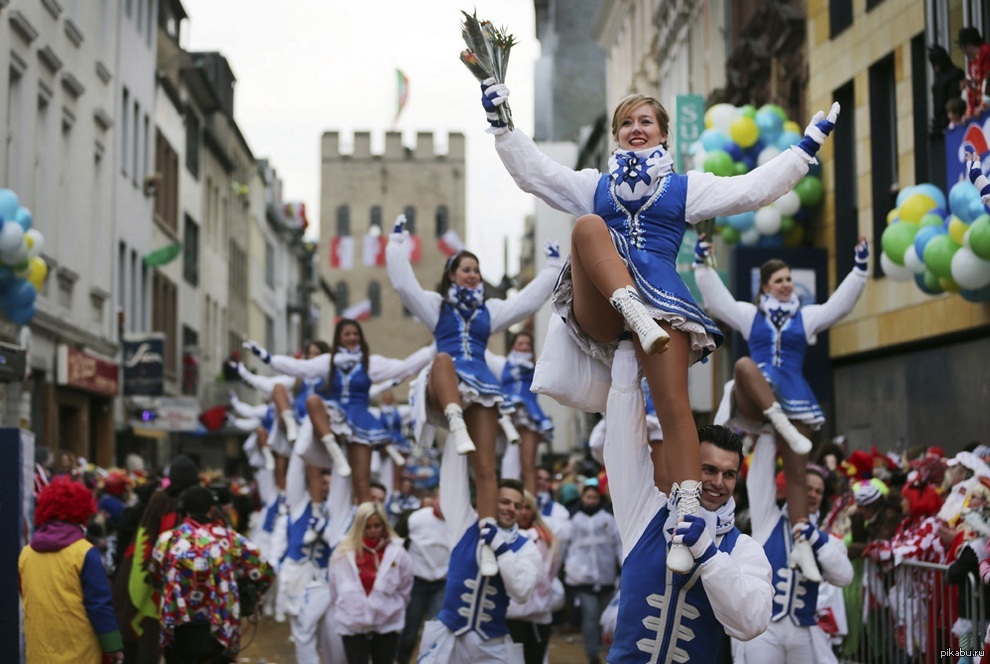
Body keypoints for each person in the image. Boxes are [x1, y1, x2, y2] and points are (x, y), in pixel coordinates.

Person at [483, 78, 841, 573]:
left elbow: (751, 189)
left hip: (663, 306)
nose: (635, 129)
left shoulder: (685, 186)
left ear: (663, 135)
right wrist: (503, 124)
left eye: (645, 121)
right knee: (588, 226)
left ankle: (686, 519)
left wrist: (805, 149)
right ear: (615, 135)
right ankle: (629, 305)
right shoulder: (595, 184)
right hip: (607, 311)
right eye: (626, 122)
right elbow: (535, 174)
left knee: (674, 408)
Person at [386, 214, 561, 576]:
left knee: (484, 468)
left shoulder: (489, 311)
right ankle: (454, 418)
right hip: (444, 387)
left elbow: (525, 304)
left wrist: (552, 269)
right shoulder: (437, 306)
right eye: (466, 269)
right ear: (452, 274)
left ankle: (487, 539)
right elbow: (405, 288)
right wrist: (397, 246)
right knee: (442, 359)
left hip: (480, 387)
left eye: (476, 271)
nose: (472, 275)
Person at [695, 237, 869, 581]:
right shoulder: (750, 314)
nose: (787, 285)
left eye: (790, 279)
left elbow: (839, 306)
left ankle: (803, 548)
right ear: (765, 287)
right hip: (757, 404)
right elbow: (719, 301)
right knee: (744, 364)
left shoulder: (806, 317)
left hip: (796, 400)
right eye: (779, 280)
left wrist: (860, 271)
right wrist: (702, 264)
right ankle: (776, 421)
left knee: (797, 478)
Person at [602, 340, 773, 662]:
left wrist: (709, 555)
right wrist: (626, 349)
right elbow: (623, 444)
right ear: (689, 465)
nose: (718, 483)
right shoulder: (647, 515)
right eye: (708, 469)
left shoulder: (743, 548)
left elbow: (752, 622)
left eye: (729, 474)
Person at [246, 320, 434, 506]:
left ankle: (364, 526)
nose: (352, 337)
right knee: (314, 402)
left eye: (356, 334)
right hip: (335, 417)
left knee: (361, 483)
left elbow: (403, 367)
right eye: (347, 334)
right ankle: (332, 450)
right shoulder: (329, 362)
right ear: (339, 338)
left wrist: (434, 348)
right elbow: (299, 368)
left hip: (360, 419)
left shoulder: (370, 362)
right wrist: (267, 357)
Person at [416, 439, 542, 663]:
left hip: (491, 644)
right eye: (504, 501)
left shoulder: (526, 546)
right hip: (449, 637)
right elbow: (453, 479)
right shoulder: (464, 524)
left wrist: (500, 548)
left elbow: (521, 592)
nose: (510, 509)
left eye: (517, 505)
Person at [734, 434, 854, 662]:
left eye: (819, 491)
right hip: (765, 627)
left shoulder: (826, 539)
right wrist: (769, 432)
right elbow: (759, 477)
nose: (813, 495)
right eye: (807, 488)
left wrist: (816, 538)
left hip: (803, 631)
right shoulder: (768, 520)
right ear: (793, 489)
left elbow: (845, 577)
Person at [149, 486, 274, 663]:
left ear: (185, 510)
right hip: (218, 628)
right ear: (212, 509)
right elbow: (264, 570)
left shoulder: (167, 540)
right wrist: (251, 592)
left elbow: (155, 576)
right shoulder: (230, 539)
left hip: (178, 627)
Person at [20, 477, 124, 663]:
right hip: (80, 653)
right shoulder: (84, 553)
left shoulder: (26, 554)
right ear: (81, 512)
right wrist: (113, 646)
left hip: (39, 653)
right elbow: (99, 605)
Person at [113, 454, 201, 664]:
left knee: (147, 638)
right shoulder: (196, 507)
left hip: (147, 589)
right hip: (186, 596)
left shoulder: (154, 502)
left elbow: (134, 537)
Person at [329, 501, 413, 664]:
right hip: (352, 623)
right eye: (368, 527)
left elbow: (406, 586)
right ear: (360, 526)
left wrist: (393, 607)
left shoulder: (397, 552)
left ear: (384, 525)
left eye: (377, 525)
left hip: (387, 622)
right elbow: (334, 588)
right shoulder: (343, 553)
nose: (373, 531)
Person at [561, 480, 622, 664]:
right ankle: (592, 654)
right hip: (583, 578)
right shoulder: (573, 520)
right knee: (591, 615)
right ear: (583, 498)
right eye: (588, 497)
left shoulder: (608, 519)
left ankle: (608, 652)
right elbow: (564, 546)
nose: (592, 500)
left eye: (595, 497)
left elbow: (619, 546)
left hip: (606, 577)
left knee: (606, 617)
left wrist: (623, 567)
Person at [489, 330, 554, 496]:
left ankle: (529, 506)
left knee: (528, 464)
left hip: (529, 414)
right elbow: (483, 354)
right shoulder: (502, 364)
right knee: (505, 453)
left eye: (528, 344)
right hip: (507, 412)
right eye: (520, 343)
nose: (525, 347)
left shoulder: (539, 367)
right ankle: (503, 495)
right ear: (512, 347)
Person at [506, 490, 561, 664]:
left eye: (527, 507)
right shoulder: (501, 536)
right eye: (518, 507)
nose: (522, 512)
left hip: (538, 615)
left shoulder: (547, 538)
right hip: (511, 616)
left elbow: (551, 573)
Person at [396, 496, 450, 664]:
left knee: (435, 632)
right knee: (409, 633)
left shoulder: (457, 522)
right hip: (416, 583)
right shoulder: (416, 518)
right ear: (434, 499)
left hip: (441, 584)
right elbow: (398, 542)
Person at [928, 45, 966, 133]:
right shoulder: (940, 79)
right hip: (941, 123)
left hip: (954, 119)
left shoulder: (955, 74)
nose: (935, 68)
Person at [958, 27, 990, 120]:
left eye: (961, 47)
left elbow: (987, 81)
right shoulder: (972, 61)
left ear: (968, 45)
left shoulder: (986, 52)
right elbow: (972, 88)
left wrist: (983, 105)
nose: (961, 51)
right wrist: (969, 111)